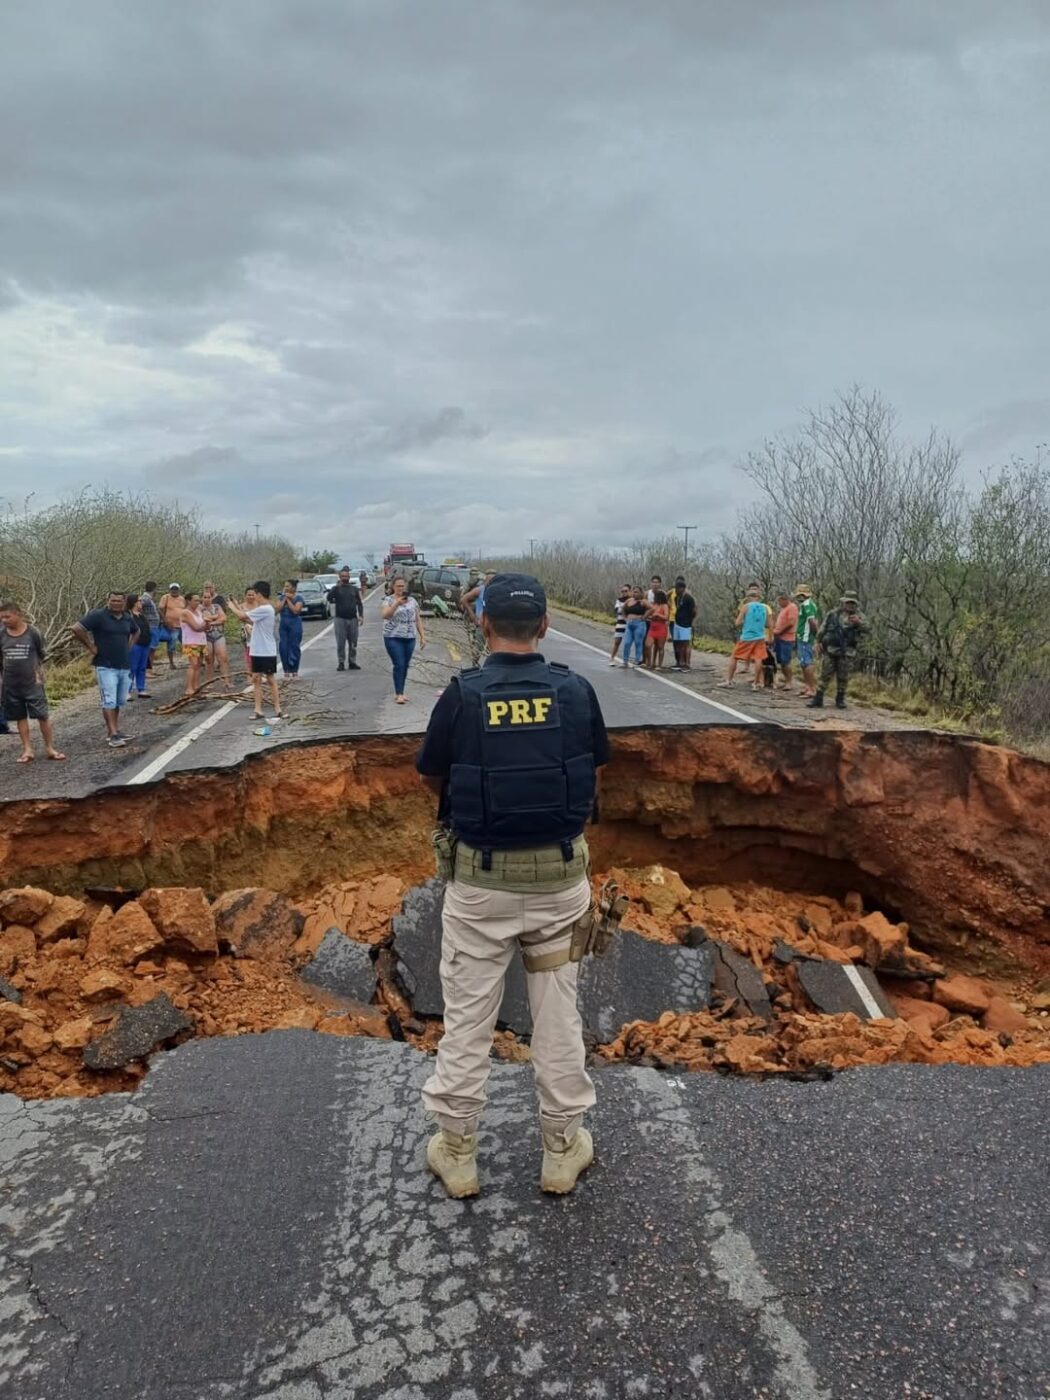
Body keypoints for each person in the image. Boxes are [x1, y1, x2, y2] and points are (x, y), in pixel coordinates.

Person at [415, 572, 610, 1198]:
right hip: (560, 884)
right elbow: (592, 771)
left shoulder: (462, 696)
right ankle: (561, 1149)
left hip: (481, 888)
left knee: (468, 1018)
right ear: (545, 626)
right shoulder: (575, 691)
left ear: (484, 623)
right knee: (557, 1015)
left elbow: (433, 777)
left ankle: (457, 1152)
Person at [71, 590, 140, 747]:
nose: (115, 603)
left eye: (119, 601)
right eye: (112, 600)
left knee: (119, 700)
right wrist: (90, 646)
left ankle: (114, 730)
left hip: (123, 664)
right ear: (107, 600)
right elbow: (76, 628)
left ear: (124, 602)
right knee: (109, 700)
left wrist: (129, 646)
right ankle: (113, 734)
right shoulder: (98, 615)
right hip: (105, 665)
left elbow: (136, 631)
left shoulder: (127, 617)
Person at [0, 601, 65, 763]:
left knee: (42, 716)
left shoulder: (33, 632)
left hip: (33, 683)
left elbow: (42, 655)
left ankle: (50, 748)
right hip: (11, 685)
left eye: (7, 617)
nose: (4, 620)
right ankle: (27, 749)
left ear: (18, 614)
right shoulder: (1, 634)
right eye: (2, 618)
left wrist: (38, 674)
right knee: (20, 717)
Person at [226, 582, 283, 722]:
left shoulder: (265, 609)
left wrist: (231, 606)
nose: (253, 597)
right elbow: (247, 618)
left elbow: (242, 616)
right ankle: (258, 710)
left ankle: (278, 708)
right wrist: (237, 606)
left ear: (259, 594)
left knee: (270, 679)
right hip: (257, 649)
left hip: (266, 650)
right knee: (256, 679)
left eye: (255, 593)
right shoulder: (262, 610)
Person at [808, 594, 866, 709]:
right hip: (831, 649)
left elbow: (868, 629)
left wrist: (859, 623)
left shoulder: (859, 616)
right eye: (848, 602)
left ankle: (840, 699)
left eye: (852, 603)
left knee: (843, 675)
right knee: (825, 674)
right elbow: (823, 628)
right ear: (843, 602)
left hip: (847, 651)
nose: (850, 605)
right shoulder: (833, 614)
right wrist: (817, 642)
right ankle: (818, 698)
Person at [381, 576, 426, 704]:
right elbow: (385, 615)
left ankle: (401, 691)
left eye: (402, 586)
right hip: (393, 636)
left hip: (409, 636)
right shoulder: (388, 600)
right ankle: (399, 693)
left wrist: (423, 636)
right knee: (399, 663)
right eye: (398, 586)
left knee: (405, 665)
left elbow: (417, 619)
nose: (400, 588)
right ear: (393, 587)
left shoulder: (412, 601)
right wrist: (397, 604)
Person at [719, 585, 772, 688]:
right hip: (760, 637)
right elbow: (768, 624)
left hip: (747, 636)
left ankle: (729, 680)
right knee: (758, 658)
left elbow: (737, 623)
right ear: (759, 597)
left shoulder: (746, 607)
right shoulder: (765, 608)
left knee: (734, 657)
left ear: (748, 597)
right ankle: (756, 683)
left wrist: (745, 621)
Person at [327, 567, 364, 672]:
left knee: (353, 642)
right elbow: (329, 598)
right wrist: (335, 588)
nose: (344, 578)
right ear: (339, 577)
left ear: (349, 577)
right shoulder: (336, 589)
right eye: (342, 576)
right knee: (340, 642)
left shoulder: (354, 589)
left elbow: (359, 603)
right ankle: (341, 662)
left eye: (346, 576)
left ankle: (352, 662)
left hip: (353, 619)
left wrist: (361, 616)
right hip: (340, 619)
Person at [179, 591, 208, 697]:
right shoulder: (186, 613)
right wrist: (206, 624)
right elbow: (196, 627)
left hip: (201, 640)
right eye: (195, 600)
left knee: (199, 664)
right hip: (191, 641)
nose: (198, 602)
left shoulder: (198, 611)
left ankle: (196, 686)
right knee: (193, 664)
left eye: (198, 600)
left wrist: (207, 623)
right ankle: (189, 688)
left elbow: (205, 626)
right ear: (188, 601)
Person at [794, 584, 820, 698]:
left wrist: (817, 636)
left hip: (806, 638)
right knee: (803, 663)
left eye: (802, 595)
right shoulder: (804, 605)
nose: (800, 597)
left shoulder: (808, 605)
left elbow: (812, 622)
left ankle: (812, 688)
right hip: (801, 637)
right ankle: (807, 686)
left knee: (807, 662)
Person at [201, 583, 230, 686]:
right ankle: (209, 682)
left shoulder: (217, 606)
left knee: (223, 658)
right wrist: (216, 617)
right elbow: (203, 619)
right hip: (206, 636)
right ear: (202, 598)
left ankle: (226, 681)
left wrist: (212, 621)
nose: (207, 599)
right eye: (205, 597)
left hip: (219, 634)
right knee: (209, 660)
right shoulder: (199, 608)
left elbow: (224, 618)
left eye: (208, 597)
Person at [275, 579, 305, 677]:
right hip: (284, 625)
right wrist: (284, 599)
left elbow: (296, 611)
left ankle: (295, 670)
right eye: (285, 586)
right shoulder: (281, 598)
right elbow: (277, 610)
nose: (285, 588)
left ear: (293, 588)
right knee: (283, 647)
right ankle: (286, 671)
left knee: (294, 646)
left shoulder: (299, 598)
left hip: (295, 624)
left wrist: (288, 600)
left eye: (288, 586)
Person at [127, 593, 153, 700]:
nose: (141, 603)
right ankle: (127, 690)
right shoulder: (129, 616)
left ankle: (141, 688)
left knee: (142, 667)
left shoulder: (142, 616)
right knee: (132, 668)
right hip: (135, 644)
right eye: (139, 601)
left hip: (145, 644)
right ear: (134, 603)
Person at [669, 576, 697, 671]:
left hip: (686, 624)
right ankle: (681, 662)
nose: (676, 590)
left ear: (682, 588)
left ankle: (687, 663)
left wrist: (691, 622)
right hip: (677, 623)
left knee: (686, 644)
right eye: (675, 588)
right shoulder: (677, 598)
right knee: (679, 644)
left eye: (677, 588)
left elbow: (694, 611)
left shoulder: (689, 598)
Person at [772, 591, 799, 690]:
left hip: (787, 639)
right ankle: (785, 680)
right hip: (780, 638)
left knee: (785, 661)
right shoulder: (784, 609)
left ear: (785, 599)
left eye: (780, 600)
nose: (779, 603)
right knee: (781, 661)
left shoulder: (792, 607)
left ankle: (789, 682)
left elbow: (791, 622)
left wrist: (780, 631)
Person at [156, 584, 184, 670]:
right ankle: (171, 663)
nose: (174, 590)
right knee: (171, 644)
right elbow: (160, 609)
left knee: (187, 643)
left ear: (179, 590)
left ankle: (192, 661)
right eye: (172, 589)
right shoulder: (166, 597)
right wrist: (165, 620)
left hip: (182, 625)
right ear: (170, 589)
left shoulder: (182, 599)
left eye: (176, 589)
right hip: (171, 626)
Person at [619, 586, 648, 668]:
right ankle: (625, 661)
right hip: (629, 624)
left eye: (636, 592)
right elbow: (623, 609)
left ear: (641, 593)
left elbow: (651, 609)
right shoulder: (629, 600)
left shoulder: (643, 601)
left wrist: (644, 617)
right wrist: (625, 618)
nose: (634, 593)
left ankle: (637, 661)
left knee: (638, 643)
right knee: (627, 643)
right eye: (633, 592)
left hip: (639, 624)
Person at [138, 582, 162, 677]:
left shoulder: (149, 598)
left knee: (153, 648)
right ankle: (145, 670)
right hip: (150, 626)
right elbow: (138, 607)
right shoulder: (146, 598)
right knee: (149, 649)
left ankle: (150, 669)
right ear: (154, 588)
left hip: (154, 626)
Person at [645, 588, 670, 669]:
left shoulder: (664, 605)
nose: (655, 598)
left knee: (660, 647)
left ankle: (659, 665)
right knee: (648, 645)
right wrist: (650, 616)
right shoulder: (654, 605)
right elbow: (647, 615)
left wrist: (658, 615)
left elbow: (666, 617)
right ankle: (650, 662)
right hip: (652, 628)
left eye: (656, 597)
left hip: (661, 628)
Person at [608, 584, 631, 666]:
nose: (624, 592)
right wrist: (626, 609)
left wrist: (624, 609)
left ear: (630, 591)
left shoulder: (633, 600)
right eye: (622, 591)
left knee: (627, 643)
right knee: (617, 642)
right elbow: (617, 610)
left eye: (626, 591)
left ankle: (626, 661)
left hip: (630, 624)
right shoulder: (619, 600)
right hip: (620, 623)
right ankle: (612, 658)